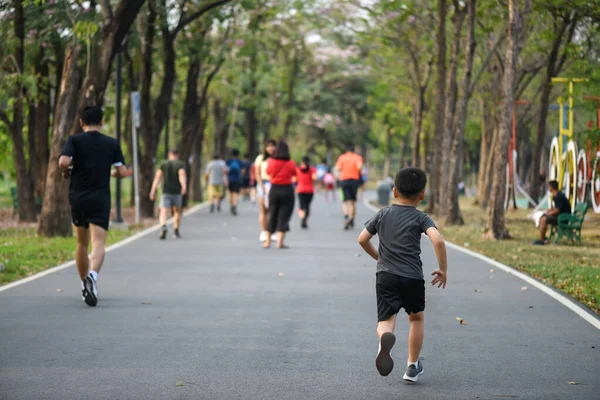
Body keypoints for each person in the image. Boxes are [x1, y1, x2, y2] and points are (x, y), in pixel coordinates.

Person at [358, 167, 448, 383]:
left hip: (386, 276)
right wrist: (443, 269)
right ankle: (412, 366)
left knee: (386, 321)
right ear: (423, 194)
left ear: (395, 191)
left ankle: (384, 339)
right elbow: (438, 240)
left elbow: (362, 239)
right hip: (413, 278)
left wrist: (379, 257)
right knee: (416, 318)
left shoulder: (383, 214)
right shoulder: (421, 218)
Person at [58, 106, 130, 307]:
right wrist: (111, 173)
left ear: (81, 123)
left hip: (78, 197)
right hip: (100, 198)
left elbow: (63, 162)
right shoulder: (111, 143)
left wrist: (68, 169)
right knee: (98, 243)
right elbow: (123, 172)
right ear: (101, 122)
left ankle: (84, 285)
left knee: (81, 243)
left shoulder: (74, 140)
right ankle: (93, 276)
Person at [264, 140, 297, 249]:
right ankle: (280, 243)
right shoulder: (291, 163)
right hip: (287, 190)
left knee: (272, 214)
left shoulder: (271, 162)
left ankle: (268, 241)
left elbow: (268, 172)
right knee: (284, 215)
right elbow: (294, 174)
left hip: (274, 190)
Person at [149, 149, 187, 240]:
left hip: (165, 192)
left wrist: (153, 190)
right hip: (177, 192)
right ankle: (176, 230)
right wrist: (184, 186)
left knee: (163, 211)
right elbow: (181, 175)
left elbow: (157, 178)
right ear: (177, 155)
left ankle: (163, 226)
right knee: (177, 211)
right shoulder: (180, 164)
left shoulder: (163, 164)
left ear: (169, 154)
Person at [533, 180, 572, 245]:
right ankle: (543, 238)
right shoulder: (556, 195)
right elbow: (554, 208)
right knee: (542, 217)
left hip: (563, 218)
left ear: (551, 187)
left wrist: (547, 214)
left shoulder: (559, 196)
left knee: (543, 219)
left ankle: (541, 240)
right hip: (560, 216)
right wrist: (546, 211)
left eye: (548, 186)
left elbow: (557, 210)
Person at [336, 145, 364, 230]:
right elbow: (360, 167)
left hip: (344, 180)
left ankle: (346, 217)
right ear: (353, 150)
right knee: (352, 201)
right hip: (354, 181)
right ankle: (351, 219)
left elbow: (337, 168)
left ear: (346, 150)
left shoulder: (342, 157)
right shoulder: (357, 157)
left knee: (344, 201)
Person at [255, 139, 277, 242]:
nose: (271, 148)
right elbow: (257, 173)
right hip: (263, 183)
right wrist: (261, 185)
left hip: (275, 184)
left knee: (273, 210)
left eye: (273, 146)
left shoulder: (278, 157)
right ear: (265, 147)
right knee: (264, 209)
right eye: (268, 146)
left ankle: (271, 231)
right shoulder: (260, 158)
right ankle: (263, 231)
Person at [296, 156, 317, 229]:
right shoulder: (312, 169)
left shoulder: (298, 169)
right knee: (307, 206)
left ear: (302, 162)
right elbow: (315, 178)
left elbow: (293, 179)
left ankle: (302, 217)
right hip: (309, 190)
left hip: (300, 189)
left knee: (301, 206)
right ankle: (305, 218)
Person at [226, 149, 244, 216]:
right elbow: (243, 171)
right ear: (238, 154)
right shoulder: (239, 161)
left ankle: (231, 205)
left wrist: (225, 179)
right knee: (235, 193)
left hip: (229, 179)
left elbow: (225, 170)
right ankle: (234, 206)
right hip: (237, 180)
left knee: (230, 193)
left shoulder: (228, 161)